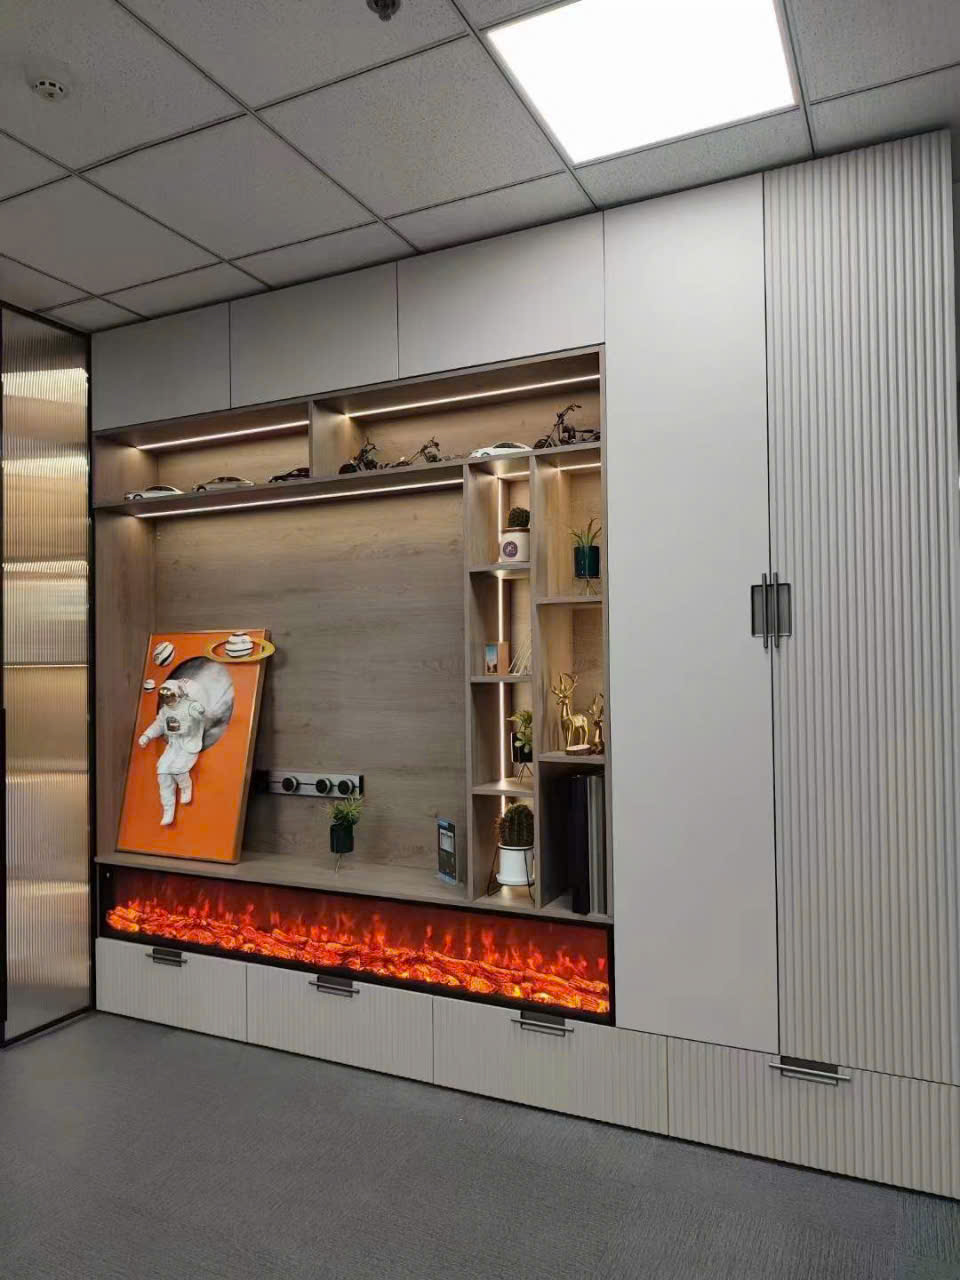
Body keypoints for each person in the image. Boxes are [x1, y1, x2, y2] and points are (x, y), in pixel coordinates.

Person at [139, 679, 207, 826]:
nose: (168, 700)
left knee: (177, 769)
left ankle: (185, 786)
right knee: (163, 773)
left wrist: (200, 711)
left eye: (170, 696)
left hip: (188, 744)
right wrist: (147, 735)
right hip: (173, 745)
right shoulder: (165, 711)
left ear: (178, 694)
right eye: (164, 697)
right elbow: (158, 725)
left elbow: (201, 715)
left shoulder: (190, 706)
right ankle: (168, 809)